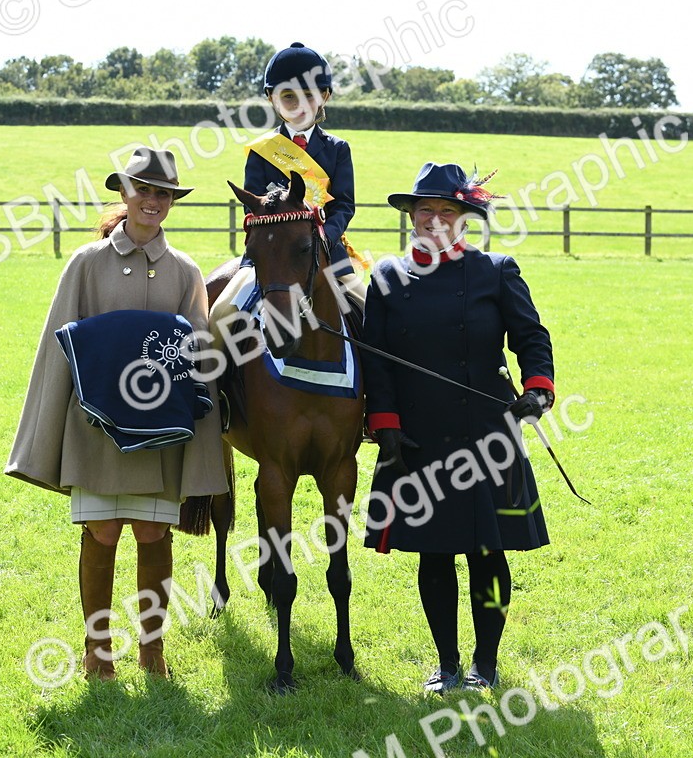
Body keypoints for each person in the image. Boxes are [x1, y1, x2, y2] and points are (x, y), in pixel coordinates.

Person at [5, 147, 226, 680]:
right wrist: (53, 428)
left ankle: (152, 649)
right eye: (143, 190)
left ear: (171, 202)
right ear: (124, 194)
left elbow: (200, 350)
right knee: (101, 533)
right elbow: (60, 349)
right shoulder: (85, 263)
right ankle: (96, 649)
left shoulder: (186, 270)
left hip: (160, 433)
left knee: (154, 536)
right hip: (96, 428)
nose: (152, 201)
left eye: (163, 194)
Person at [361, 162, 556, 694]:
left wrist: (538, 387)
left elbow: (531, 337)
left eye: (448, 211)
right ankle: (447, 665)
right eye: (426, 210)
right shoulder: (385, 278)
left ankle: (485, 665)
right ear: (411, 215)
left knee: (488, 554)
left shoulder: (496, 271)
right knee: (434, 553)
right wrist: (385, 424)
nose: (435, 220)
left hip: (487, 436)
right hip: (417, 438)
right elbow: (374, 360)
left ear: (466, 217)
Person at [212, 42, 361, 325]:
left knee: (366, 310)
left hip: (328, 251)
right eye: (289, 96)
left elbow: (344, 205)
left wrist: (324, 236)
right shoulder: (261, 150)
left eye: (308, 95)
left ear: (325, 96)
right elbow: (252, 204)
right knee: (221, 314)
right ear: (271, 98)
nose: (299, 105)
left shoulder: (338, 149)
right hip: (270, 254)